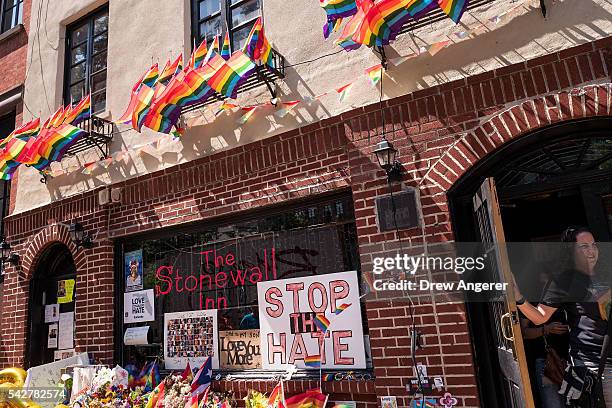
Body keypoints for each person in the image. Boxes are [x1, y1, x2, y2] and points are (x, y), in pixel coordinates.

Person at [513, 226, 611, 406]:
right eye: (584, 247)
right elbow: (539, 317)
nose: (591, 251)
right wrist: (518, 298)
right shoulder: (563, 281)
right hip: (592, 364)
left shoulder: (607, 274)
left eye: (593, 245)